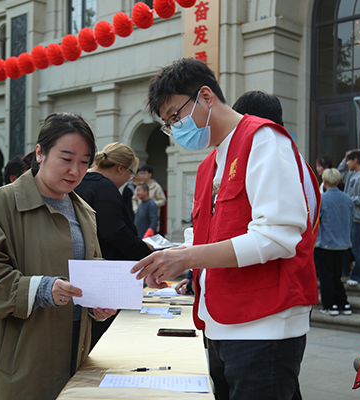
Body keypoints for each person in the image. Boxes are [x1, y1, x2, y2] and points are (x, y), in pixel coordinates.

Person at [132, 58, 320, 400]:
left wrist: (187, 257)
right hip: (220, 322)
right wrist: (173, 259)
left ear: (206, 96)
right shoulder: (209, 164)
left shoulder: (262, 139)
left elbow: (276, 236)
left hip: (265, 324)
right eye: (168, 123)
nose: (175, 128)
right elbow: (206, 234)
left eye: (176, 115)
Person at [0, 113, 115, 399]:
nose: (75, 171)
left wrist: (97, 302)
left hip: (74, 343)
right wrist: (40, 289)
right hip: (21, 349)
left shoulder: (84, 212)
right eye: (66, 159)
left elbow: (91, 267)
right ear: (40, 153)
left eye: (84, 161)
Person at [74, 141, 153, 348]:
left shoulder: (79, 181)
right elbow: (115, 231)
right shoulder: (104, 187)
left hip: (80, 272)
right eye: (130, 173)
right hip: (104, 277)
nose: (129, 179)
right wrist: (146, 254)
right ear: (120, 168)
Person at [314, 169, 354, 316]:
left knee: (326, 276)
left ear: (324, 182)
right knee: (337, 275)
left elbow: (316, 222)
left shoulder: (322, 199)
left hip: (325, 243)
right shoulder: (347, 199)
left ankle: (330, 305)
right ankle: (343, 303)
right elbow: (351, 219)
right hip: (342, 243)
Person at [338, 150, 360, 286]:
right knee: (348, 247)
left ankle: (359, 275)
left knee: (358, 248)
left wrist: (349, 200)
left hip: (359, 218)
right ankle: (347, 273)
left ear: (356, 161)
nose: (346, 163)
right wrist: (345, 157)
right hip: (350, 217)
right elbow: (339, 173)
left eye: (349, 160)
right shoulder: (352, 174)